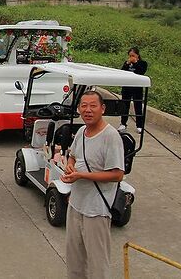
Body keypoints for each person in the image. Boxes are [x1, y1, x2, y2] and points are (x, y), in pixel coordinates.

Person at [61, 91, 125, 279]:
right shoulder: (81, 132)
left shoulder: (111, 137)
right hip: (76, 205)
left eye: (93, 106)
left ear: (102, 108)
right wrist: (71, 166)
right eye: (84, 106)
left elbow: (117, 174)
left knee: (98, 265)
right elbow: (73, 155)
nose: (87, 110)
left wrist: (81, 175)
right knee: (74, 260)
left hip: (96, 211)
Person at [119, 47, 148, 133]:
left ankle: (139, 125)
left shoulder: (143, 63)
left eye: (133, 55)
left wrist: (135, 63)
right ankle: (123, 123)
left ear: (137, 55)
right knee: (125, 105)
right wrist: (127, 64)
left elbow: (141, 72)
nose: (131, 57)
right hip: (127, 87)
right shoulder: (127, 63)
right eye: (130, 55)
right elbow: (122, 72)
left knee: (138, 106)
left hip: (137, 88)